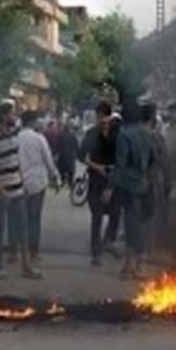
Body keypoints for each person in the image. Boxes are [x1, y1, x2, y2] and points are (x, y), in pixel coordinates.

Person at [0, 102, 42, 280]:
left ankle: (26, 266)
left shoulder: (14, 136)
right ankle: (0, 266)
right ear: (4, 116)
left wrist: (22, 183)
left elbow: (16, 162)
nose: (15, 117)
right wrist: (0, 188)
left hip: (18, 190)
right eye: (12, 114)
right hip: (1, 192)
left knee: (22, 229)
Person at [110, 102, 153, 279]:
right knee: (139, 224)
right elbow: (153, 160)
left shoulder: (124, 135)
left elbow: (120, 165)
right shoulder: (148, 134)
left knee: (130, 225)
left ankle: (131, 265)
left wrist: (110, 187)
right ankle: (136, 264)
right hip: (144, 184)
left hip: (128, 185)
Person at [79, 102, 121, 266]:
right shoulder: (91, 134)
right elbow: (81, 155)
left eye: (105, 117)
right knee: (96, 216)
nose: (102, 120)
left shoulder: (118, 135)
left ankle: (108, 241)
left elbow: (122, 160)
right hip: (96, 179)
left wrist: (111, 185)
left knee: (115, 214)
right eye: (99, 117)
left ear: (110, 117)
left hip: (114, 178)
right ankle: (95, 252)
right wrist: (96, 166)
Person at [18, 111, 59, 263]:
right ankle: (33, 252)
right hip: (37, 183)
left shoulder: (16, 138)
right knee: (34, 218)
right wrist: (55, 177)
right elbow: (48, 160)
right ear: (32, 122)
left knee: (21, 218)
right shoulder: (39, 138)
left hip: (19, 183)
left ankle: (19, 251)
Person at [142, 104, 171, 256]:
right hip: (152, 181)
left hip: (142, 181)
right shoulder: (156, 138)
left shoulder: (137, 136)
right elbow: (164, 160)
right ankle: (149, 249)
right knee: (152, 216)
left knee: (144, 216)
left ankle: (143, 249)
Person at [55, 119, 79, 190]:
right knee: (71, 171)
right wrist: (77, 154)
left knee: (62, 170)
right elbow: (76, 146)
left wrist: (56, 153)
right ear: (69, 129)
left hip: (62, 156)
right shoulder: (73, 135)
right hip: (71, 156)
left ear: (64, 128)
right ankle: (70, 183)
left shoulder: (60, 135)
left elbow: (57, 145)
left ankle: (62, 182)